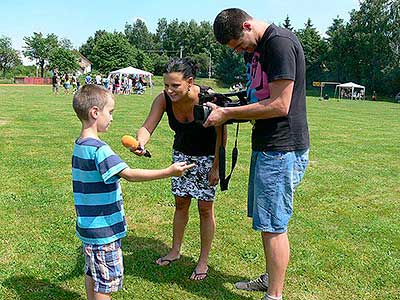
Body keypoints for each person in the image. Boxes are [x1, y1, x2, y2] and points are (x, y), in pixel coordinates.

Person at [205, 8, 310, 300]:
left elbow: (279, 105)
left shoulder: (279, 44)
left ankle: (274, 295)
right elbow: (257, 98)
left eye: (240, 44)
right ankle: (270, 279)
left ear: (248, 25)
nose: (241, 51)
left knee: (274, 225)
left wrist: (226, 113)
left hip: (282, 147)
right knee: (267, 222)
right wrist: (225, 104)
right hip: (267, 145)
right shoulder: (256, 50)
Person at [72, 84, 194, 300]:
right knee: (106, 283)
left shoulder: (80, 144)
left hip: (87, 227)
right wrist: (169, 171)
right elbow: (129, 174)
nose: (112, 118)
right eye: (110, 112)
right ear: (94, 112)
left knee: (92, 271)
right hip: (104, 230)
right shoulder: (100, 150)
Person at [133, 57, 225, 281]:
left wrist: (216, 168)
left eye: (175, 85)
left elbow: (222, 134)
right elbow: (147, 126)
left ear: (190, 82)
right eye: (166, 85)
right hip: (181, 156)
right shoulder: (163, 99)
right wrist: (141, 142)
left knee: (205, 208)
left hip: (207, 157)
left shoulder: (207, 98)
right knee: (181, 203)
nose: (169, 90)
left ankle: (203, 261)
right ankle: (175, 251)